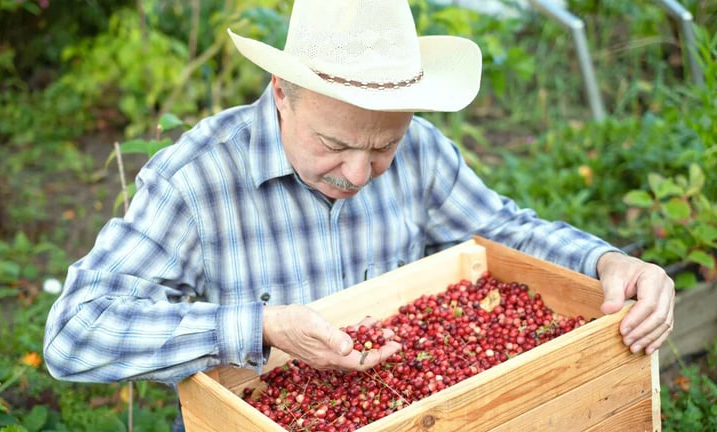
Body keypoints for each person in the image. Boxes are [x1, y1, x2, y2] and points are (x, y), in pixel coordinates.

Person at [43, 0, 675, 430]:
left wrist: (605, 261)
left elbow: (502, 231)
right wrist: (263, 326)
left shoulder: (421, 150)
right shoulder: (197, 179)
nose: (357, 173)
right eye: (335, 144)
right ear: (282, 94)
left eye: (381, 148)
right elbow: (75, 333)